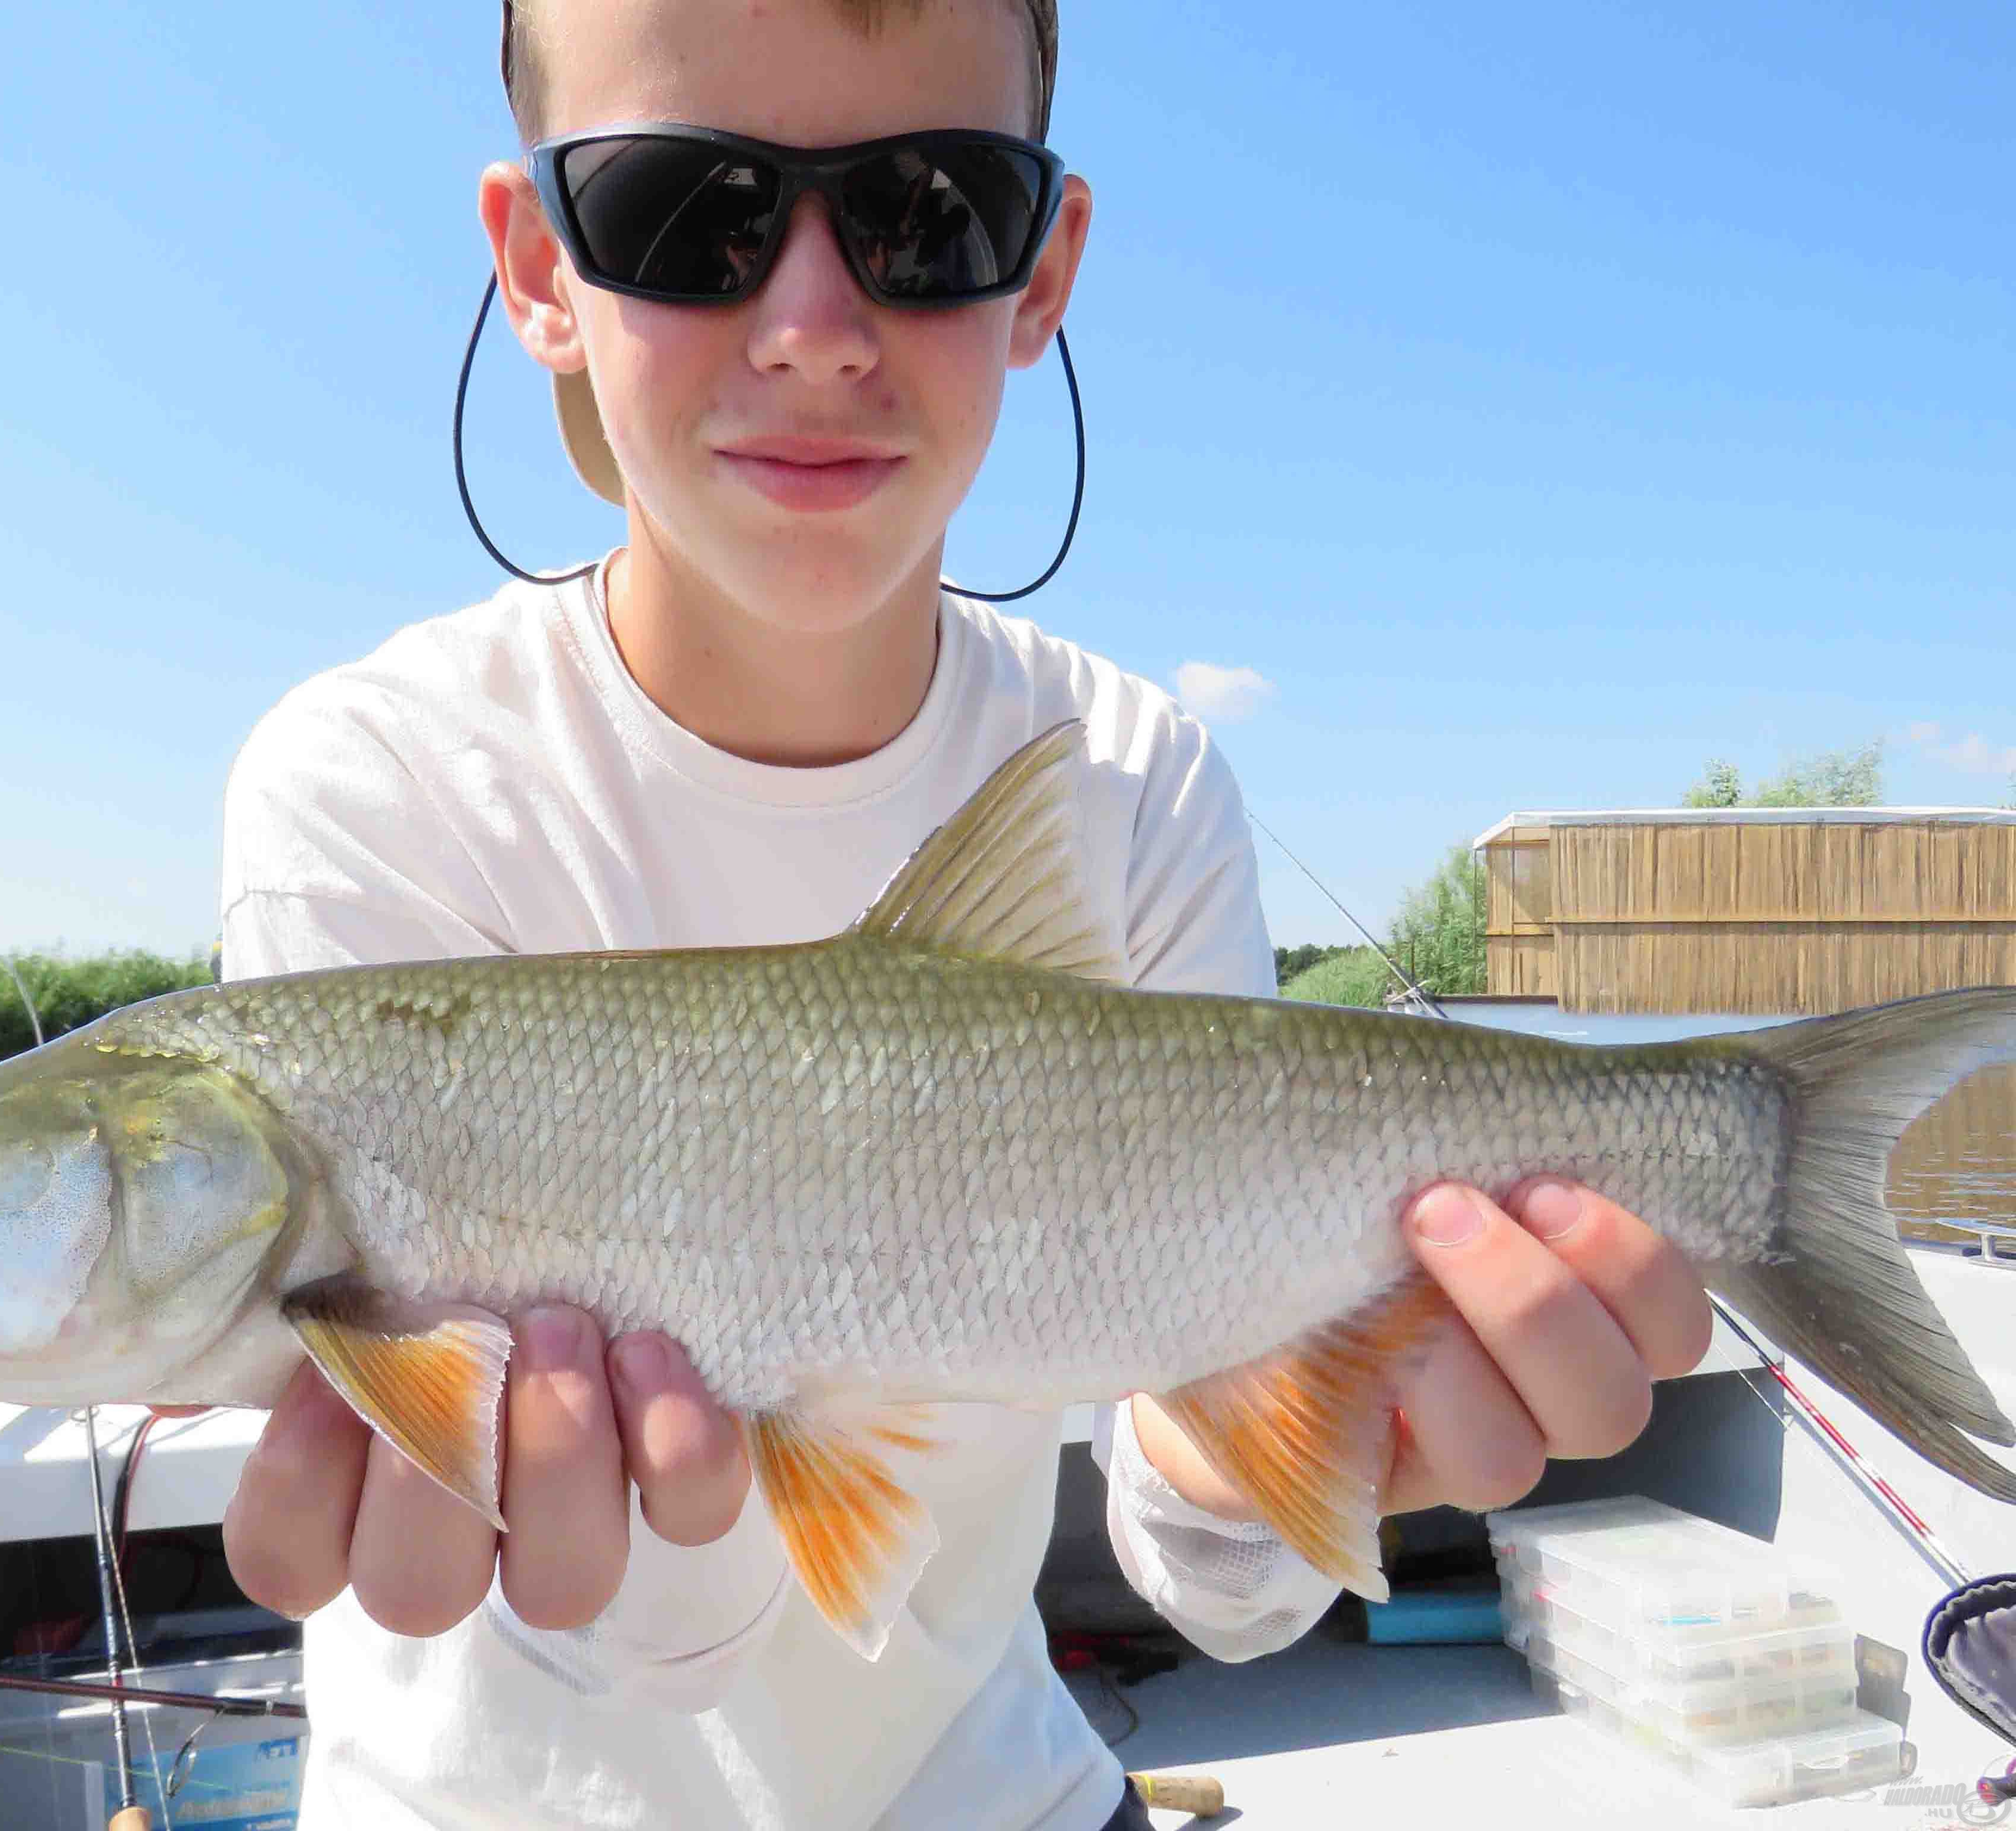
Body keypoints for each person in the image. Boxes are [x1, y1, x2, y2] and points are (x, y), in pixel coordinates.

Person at [206, 2, 1716, 1824]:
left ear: (1044, 271)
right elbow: (557, 1599)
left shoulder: (1132, 776)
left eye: (929, 213)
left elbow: (1218, 1583)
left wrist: (1324, 1450)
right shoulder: (374, 782)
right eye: (690, 215)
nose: (816, 328)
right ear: (540, 268)